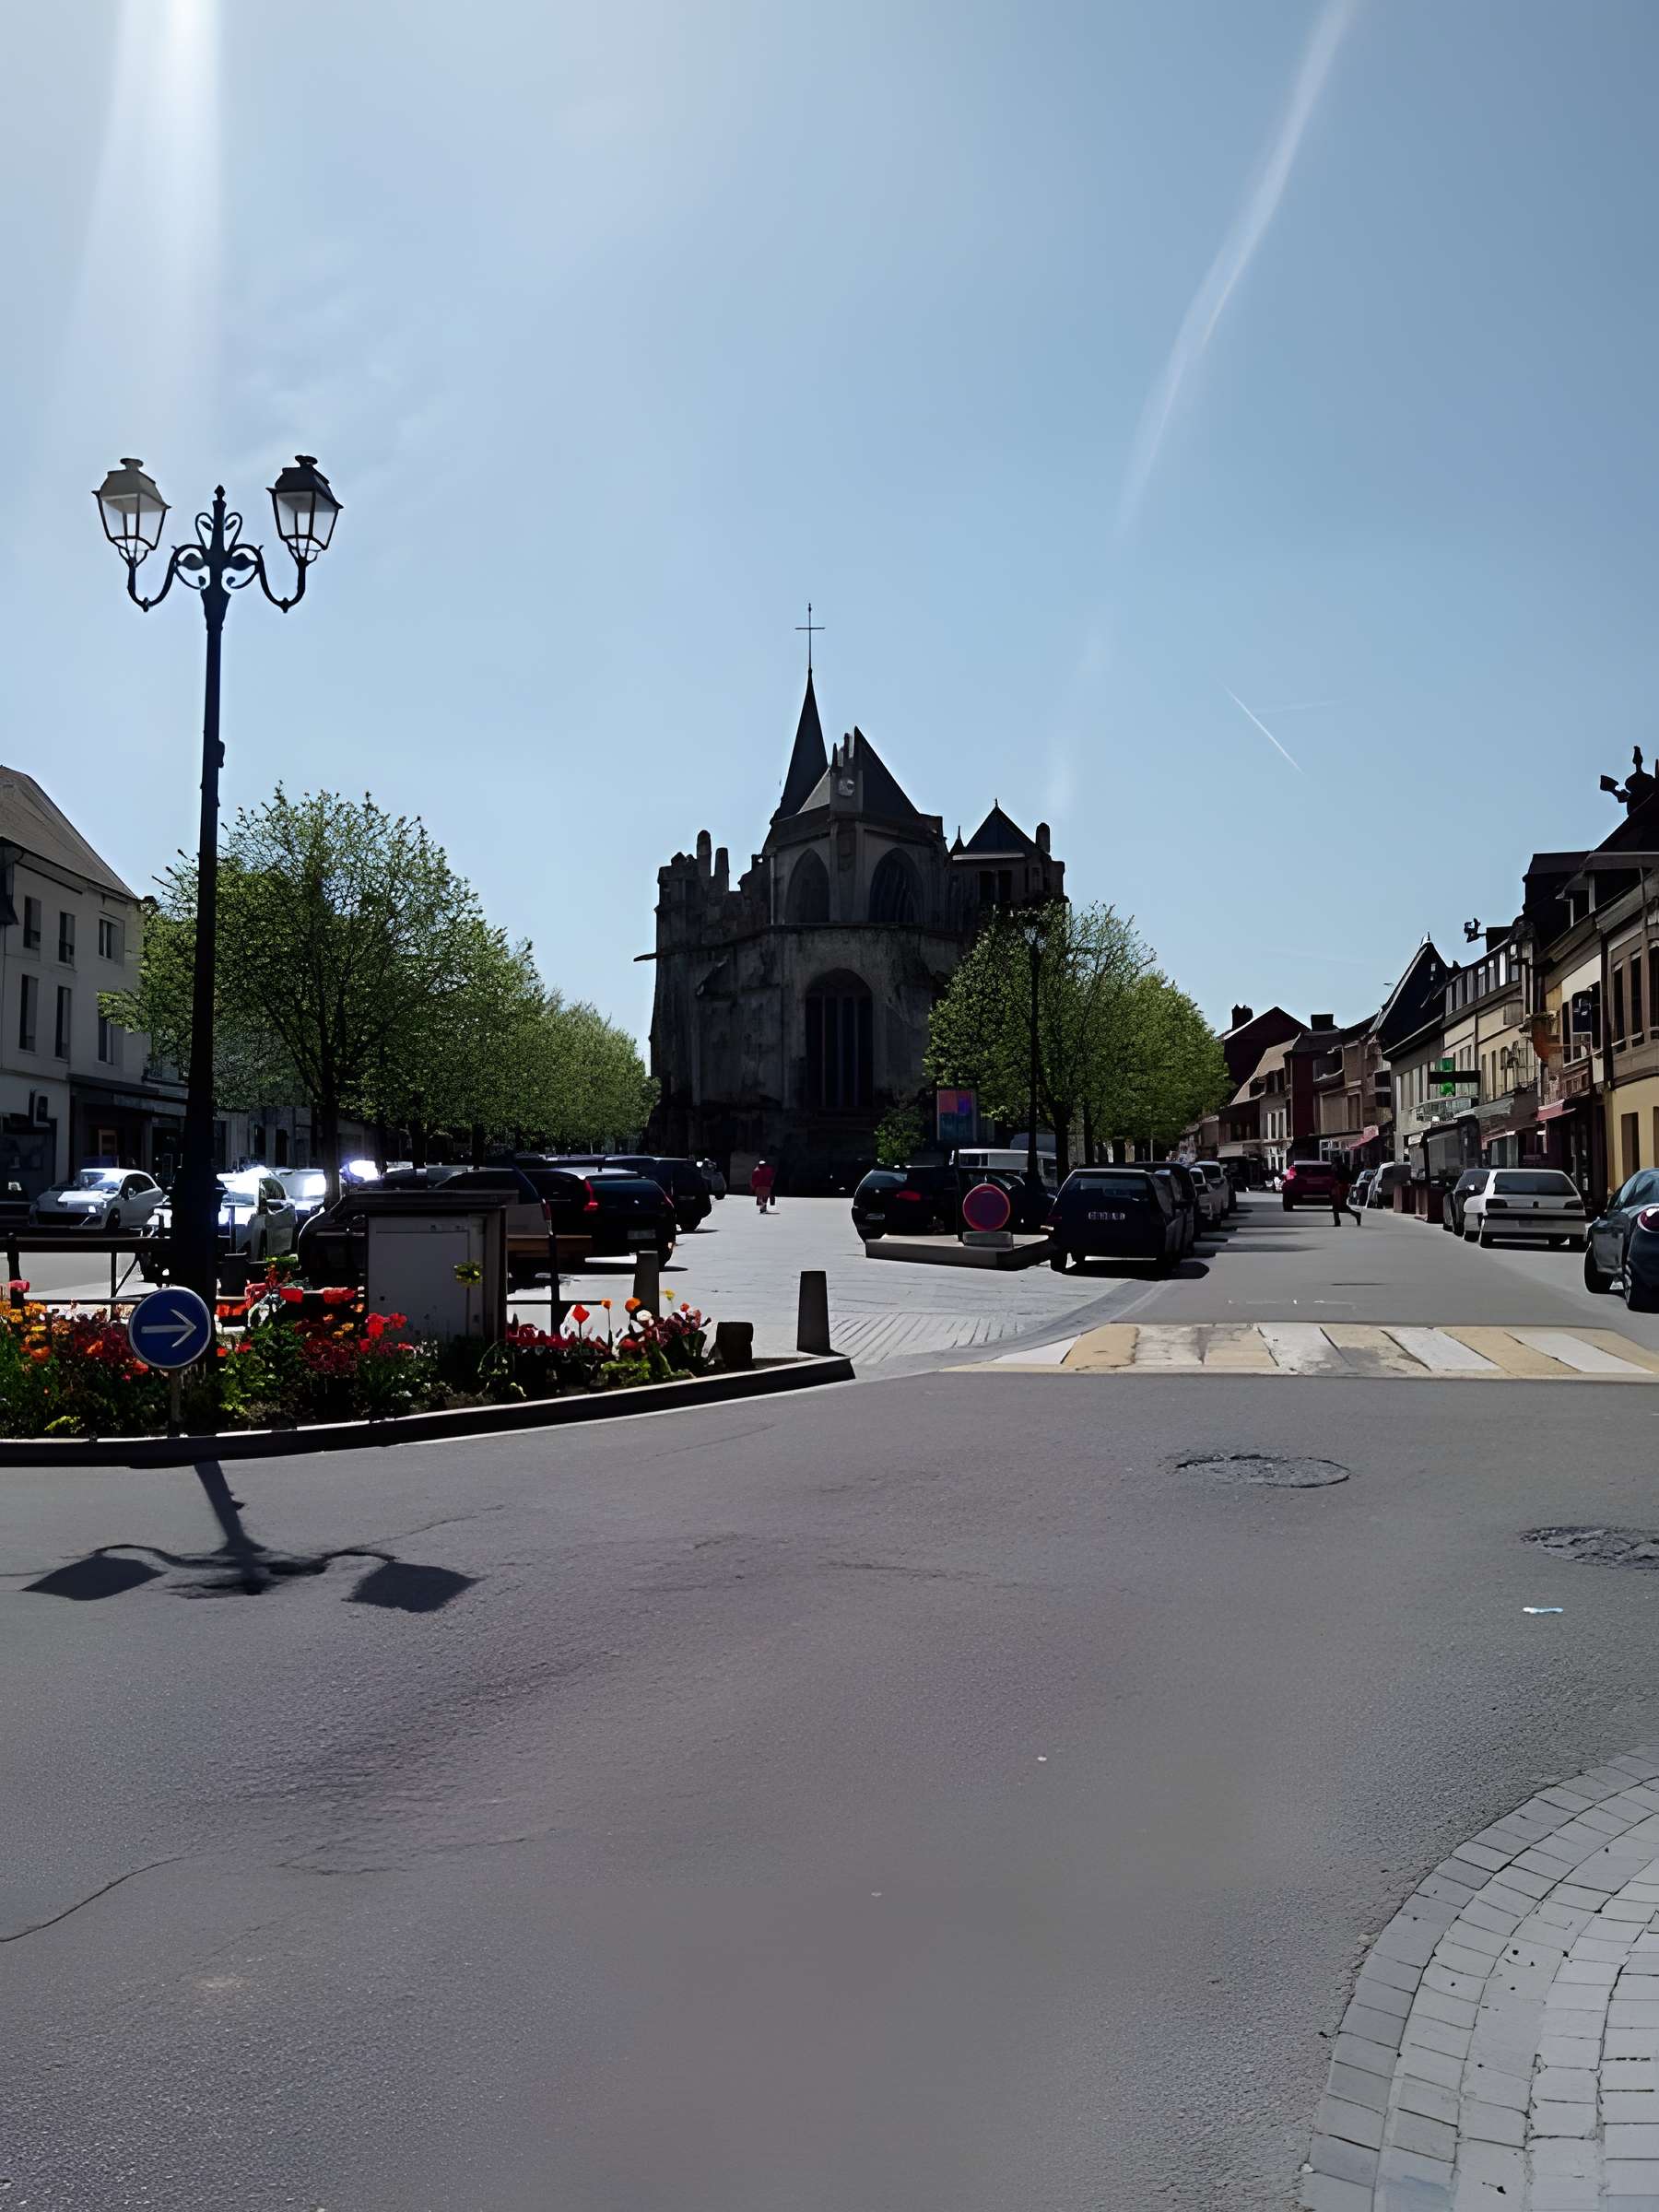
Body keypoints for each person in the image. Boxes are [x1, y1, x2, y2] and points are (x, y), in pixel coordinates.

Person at [1331, 1159, 1362, 1228]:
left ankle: (1356, 1214)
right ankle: (1355, 1215)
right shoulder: (1343, 1168)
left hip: (1341, 1188)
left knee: (1339, 1206)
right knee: (1339, 1206)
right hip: (1342, 1188)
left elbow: (1339, 1178)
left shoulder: (1339, 1168)